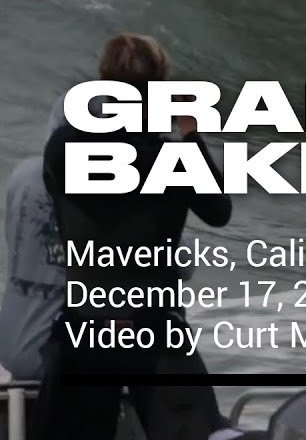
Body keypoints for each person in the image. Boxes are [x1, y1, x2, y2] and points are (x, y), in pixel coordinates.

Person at [36, 33, 233, 440]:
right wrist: (191, 134)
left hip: (86, 328)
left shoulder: (60, 148)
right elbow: (218, 212)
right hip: (153, 330)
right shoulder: (173, 158)